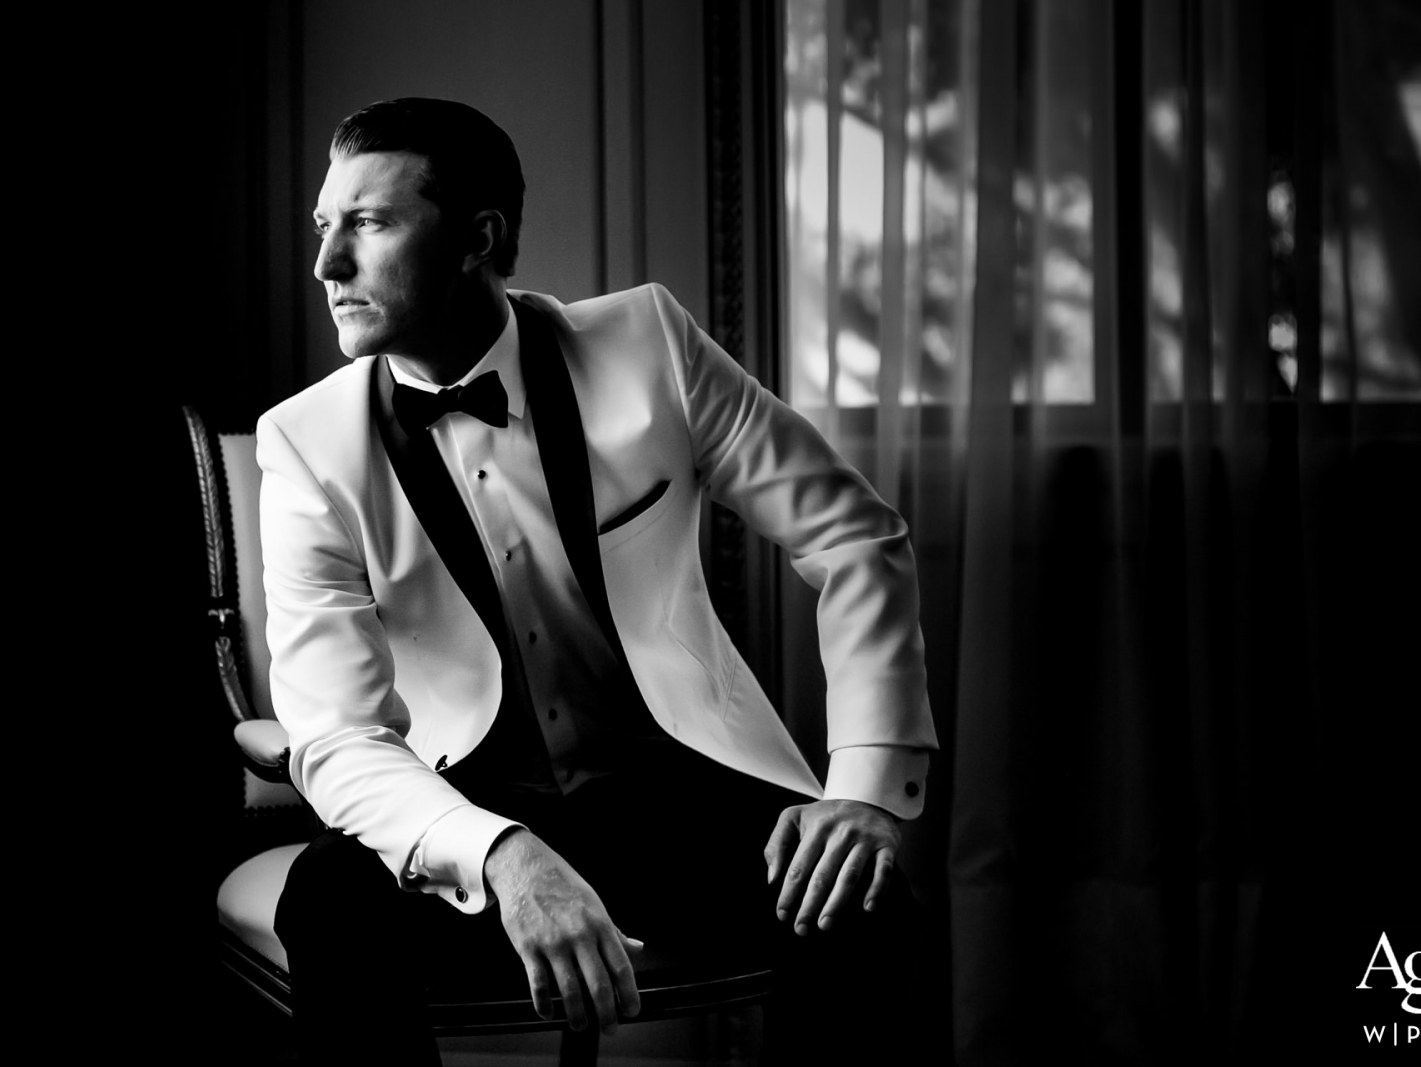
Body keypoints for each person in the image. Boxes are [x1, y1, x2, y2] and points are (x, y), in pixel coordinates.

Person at [263, 97, 940, 1064]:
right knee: (330, 899)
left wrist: (866, 789)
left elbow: (855, 533)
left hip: (669, 788)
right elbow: (336, 735)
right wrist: (499, 855)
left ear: (477, 238)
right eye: (326, 227)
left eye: (368, 224)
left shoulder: (648, 347)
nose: (329, 266)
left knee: (859, 899)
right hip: (463, 797)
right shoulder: (306, 442)